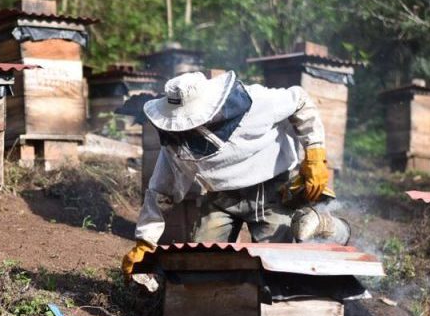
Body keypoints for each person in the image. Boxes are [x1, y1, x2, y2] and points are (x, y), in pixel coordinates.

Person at [122, 70, 351, 278]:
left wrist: (315, 154)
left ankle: (328, 225)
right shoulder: (178, 141)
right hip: (221, 198)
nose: (184, 129)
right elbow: (161, 190)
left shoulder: (255, 103)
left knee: (283, 267)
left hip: (272, 193)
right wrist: (145, 241)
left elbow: (300, 100)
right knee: (199, 266)